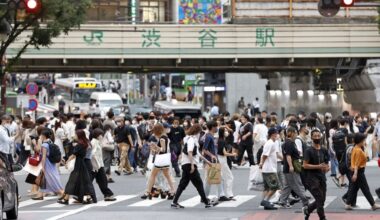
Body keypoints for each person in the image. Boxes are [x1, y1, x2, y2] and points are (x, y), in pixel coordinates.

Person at [171, 124, 215, 209]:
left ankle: (174, 202)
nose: (200, 134)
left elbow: (197, 154)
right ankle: (206, 202)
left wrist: (208, 162)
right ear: (197, 132)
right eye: (200, 132)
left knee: (183, 184)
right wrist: (192, 165)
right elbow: (190, 152)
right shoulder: (191, 139)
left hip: (185, 164)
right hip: (189, 164)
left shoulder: (188, 138)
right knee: (199, 183)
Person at [58, 130, 96, 205]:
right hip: (83, 164)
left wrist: (67, 161)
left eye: (75, 134)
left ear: (79, 136)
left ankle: (66, 199)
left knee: (71, 181)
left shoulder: (79, 145)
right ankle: (88, 197)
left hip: (78, 165)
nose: (74, 136)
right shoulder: (86, 143)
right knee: (85, 182)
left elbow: (73, 155)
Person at [344, 133, 380, 211]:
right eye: (364, 140)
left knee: (353, 188)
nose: (364, 142)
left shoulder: (356, 148)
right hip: (359, 172)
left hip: (355, 171)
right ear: (360, 141)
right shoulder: (358, 150)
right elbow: (357, 163)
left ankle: (348, 203)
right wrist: (355, 174)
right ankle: (373, 204)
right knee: (365, 188)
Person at [141, 124, 176, 200]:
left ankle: (147, 192)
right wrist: (155, 148)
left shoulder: (162, 139)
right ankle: (173, 191)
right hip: (165, 160)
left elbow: (163, 150)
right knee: (167, 176)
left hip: (160, 160)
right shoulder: (165, 137)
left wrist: (154, 146)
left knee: (152, 175)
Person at [277, 127, 309, 208]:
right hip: (292, 167)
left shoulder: (287, 142)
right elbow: (288, 156)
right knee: (297, 184)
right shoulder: (290, 143)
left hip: (288, 167)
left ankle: (282, 201)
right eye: (295, 133)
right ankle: (305, 200)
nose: (296, 135)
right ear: (291, 133)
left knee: (288, 185)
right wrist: (291, 166)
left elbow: (288, 154)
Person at [302, 129, 330, 220]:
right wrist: (318, 166)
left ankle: (308, 209)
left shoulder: (324, 150)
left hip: (322, 177)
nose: (317, 137)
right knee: (319, 198)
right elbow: (305, 165)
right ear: (312, 137)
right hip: (311, 178)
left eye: (319, 136)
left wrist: (327, 168)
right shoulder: (308, 150)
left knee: (322, 199)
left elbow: (326, 164)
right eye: (315, 136)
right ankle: (322, 217)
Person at [32, 129, 64, 200]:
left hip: (47, 164)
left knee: (51, 179)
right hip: (51, 163)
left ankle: (62, 192)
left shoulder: (44, 145)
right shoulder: (50, 142)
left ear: (43, 136)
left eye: (41, 135)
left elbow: (43, 156)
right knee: (45, 179)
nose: (40, 136)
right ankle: (40, 194)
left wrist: (42, 167)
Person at [203, 121, 228, 202]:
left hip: (214, 160)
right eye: (216, 126)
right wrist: (212, 155)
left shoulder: (211, 136)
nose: (217, 128)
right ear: (212, 127)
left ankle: (222, 195)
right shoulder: (208, 136)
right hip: (211, 160)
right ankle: (204, 196)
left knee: (219, 177)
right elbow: (204, 150)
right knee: (209, 179)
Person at [90, 128, 116, 201]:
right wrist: (96, 164)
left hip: (99, 165)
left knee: (102, 180)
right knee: (90, 181)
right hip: (95, 165)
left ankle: (107, 194)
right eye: (101, 135)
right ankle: (84, 195)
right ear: (98, 136)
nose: (102, 136)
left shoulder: (97, 142)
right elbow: (93, 154)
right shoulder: (94, 142)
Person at [258, 127, 280, 210]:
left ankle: (266, 203)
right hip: (269, 169)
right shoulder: (270, 143)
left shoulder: (271, 143)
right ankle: (265, 201)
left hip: (268, 168)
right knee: (275, 187)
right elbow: (264, 155)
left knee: (268, 188)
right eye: (276, 133)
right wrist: (261, 163)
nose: (277, 135)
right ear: (273, 134)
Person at [217, 127, 236, 200]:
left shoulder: (221, 140)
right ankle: (229, 194)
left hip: (221, 159)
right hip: (222, 160)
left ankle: (223, 194)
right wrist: (233, 154)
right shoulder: (222, 141)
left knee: (223, 177)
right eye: (225, 131)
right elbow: (224, 153)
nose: (227, 132)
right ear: (222, 132)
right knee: (229, 177)